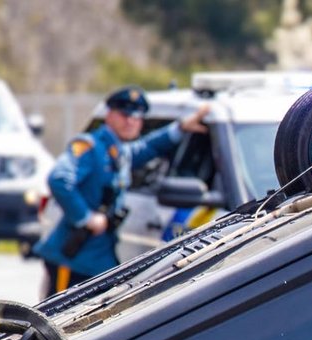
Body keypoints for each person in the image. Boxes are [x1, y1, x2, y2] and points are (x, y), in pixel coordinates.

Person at [34, 85, 210, 296]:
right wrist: (85, 217)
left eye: (137, 117)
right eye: (124, 115)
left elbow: (149, 147)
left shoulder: (120, 150)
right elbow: (59, 179)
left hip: (99, 260)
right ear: (109, 115)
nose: (131, 121)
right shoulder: (91, 146)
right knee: (57, 319)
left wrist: (181, 128)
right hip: (73, 257)